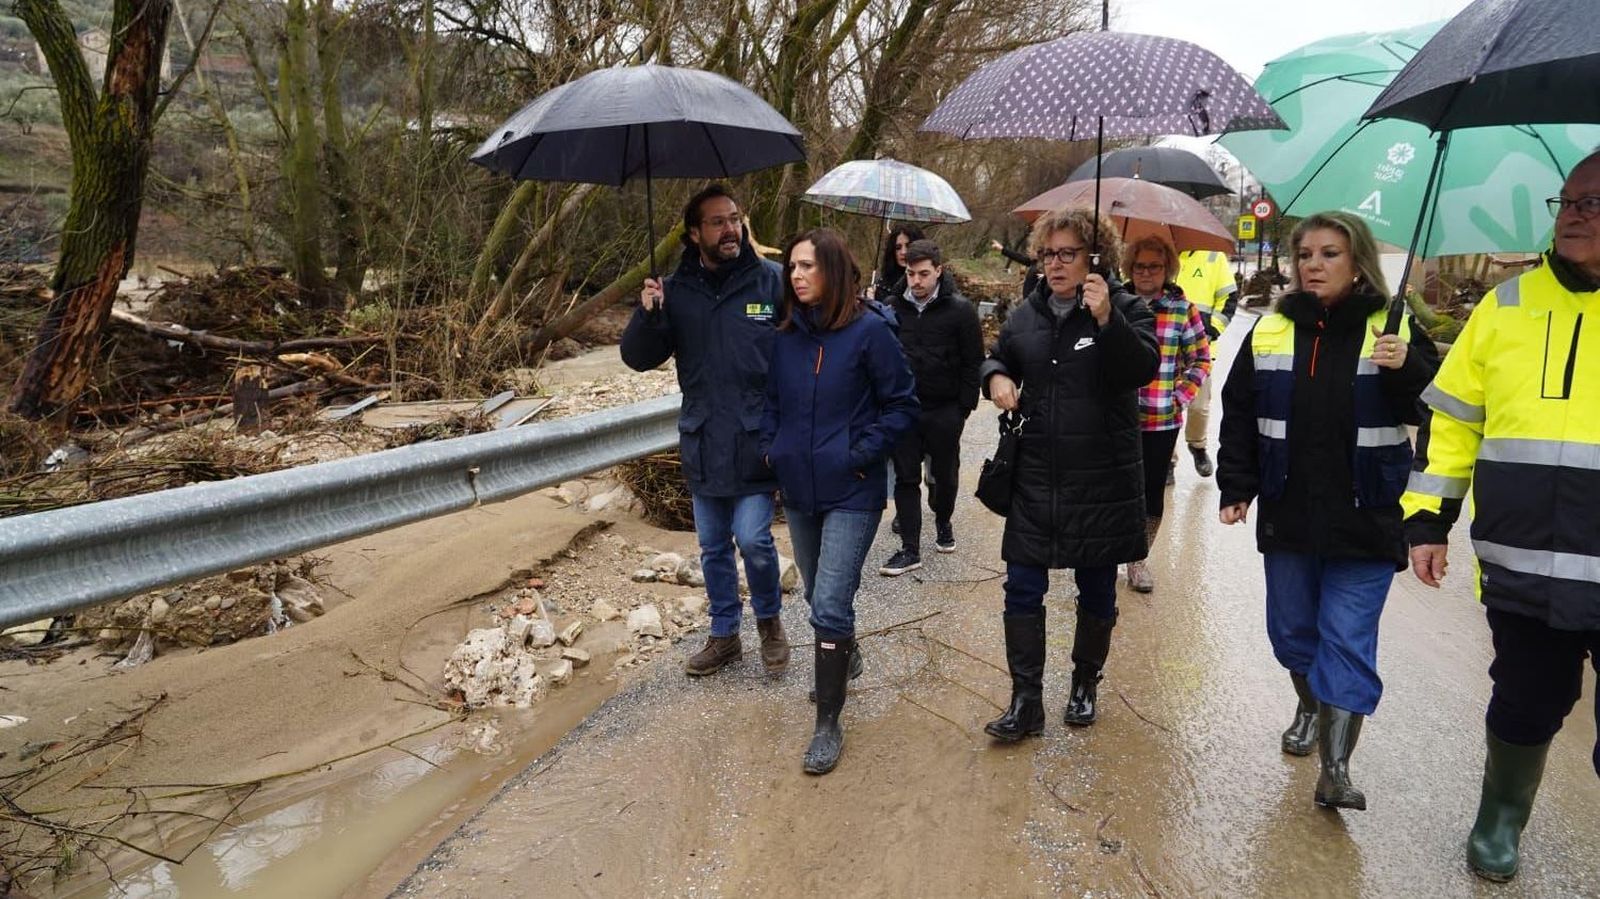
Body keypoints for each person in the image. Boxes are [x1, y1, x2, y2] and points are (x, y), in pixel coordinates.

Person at [1401, 151, 1600, 881]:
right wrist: (1428, 520)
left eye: (1593, 203)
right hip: (1524, 561)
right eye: (1568, 200)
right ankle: (1501, 815)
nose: (1574, 213)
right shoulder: (1507, 305)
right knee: (1524, 700)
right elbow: (1454, 420)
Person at [1216, 211, 1438, 811]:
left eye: (1329, 254)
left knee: (1346, 638)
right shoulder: (1270, 331)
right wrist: (1235, 485)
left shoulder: (1392, 328)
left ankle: (1336, 769)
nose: (1313, 264)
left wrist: (1409, 367)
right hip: (1289, 515)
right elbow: (1238, 412)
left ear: (1358, 260)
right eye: (1306, 254)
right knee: (1291, 633)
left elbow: (1436, 413)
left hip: (1367, 515)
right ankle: (1311, 704)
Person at [978, 207, 1159, 742]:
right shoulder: (1027, 313)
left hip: (1101, 480)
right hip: (1036, 475)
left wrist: (1107, 321)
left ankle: (1084, 685)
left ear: (1094, 256)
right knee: (1021, 587)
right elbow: (995, 357)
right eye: (1047, 254)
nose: (1055, 265)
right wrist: (996, 379)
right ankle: (1025, 700)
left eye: (1068, 254)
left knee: (1098, 589)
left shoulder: (1124, 307)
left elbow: (1140, 369)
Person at [761, 228, 918, 774]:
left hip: (853, 488)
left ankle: (828, 722)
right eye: (793, 268)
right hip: (800, 490)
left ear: (832, 270)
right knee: (811, 590)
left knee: (829, 602)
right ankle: (844, 651)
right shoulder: (784, 336)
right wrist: (771, 449)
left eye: (808, 266)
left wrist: (858, 454)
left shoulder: (871, 333)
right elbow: (768, 402)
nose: (797, 275)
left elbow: (902, 405)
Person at [621, 185, 788, 678]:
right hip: (702, 439)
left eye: (734, 219)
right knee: (713, 547)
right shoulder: (675, 291)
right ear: (694, 234)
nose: (730, 229)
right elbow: (638, 357)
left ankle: (770, 624)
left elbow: (803, 350)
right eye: (717, 222)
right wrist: (648, 314)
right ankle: (724, 635)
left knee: (754, 540)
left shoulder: (770, 283)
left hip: (756, 441)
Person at [878, 240, 984, 576]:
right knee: (906, 478)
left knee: (944, 476)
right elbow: (878, 357)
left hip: (945, 410)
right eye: (911, 273)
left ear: (939, 271)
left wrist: (963, 408)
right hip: (904, 409)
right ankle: (910, 548)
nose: (917, 281)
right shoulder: (891, 307)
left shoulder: (961, 311)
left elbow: (973, 362)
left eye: (924, 274)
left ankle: (943, 519)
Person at [1122, 237, 1211, 593]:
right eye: (1140, 266)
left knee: (1151, 492)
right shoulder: (1114, 303)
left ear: (1167, 269)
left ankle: (1138, 561)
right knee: (1111, 488)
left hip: (1161, 419)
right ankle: (1101, 554)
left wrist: (1179, 396)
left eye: (1154, 266)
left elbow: (1201, 358)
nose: (1146, 273)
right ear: (1130, 267)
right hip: (1116, 418)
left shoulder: (1181, 308)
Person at [1173, 249, 1239, 478]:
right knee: (1165, 406)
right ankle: (1168, 461)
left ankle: (1197, 445)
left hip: (1201, 348)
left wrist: (1212, 330)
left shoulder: (1213, 257)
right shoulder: (1162, 254)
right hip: (1165, 347)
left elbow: (1229, 298)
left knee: (1199, 406)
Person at [872, 224, 925, 300]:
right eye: (898, 248)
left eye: (908, 246)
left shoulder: (932, 280)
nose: (903, 252)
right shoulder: (882, 286)